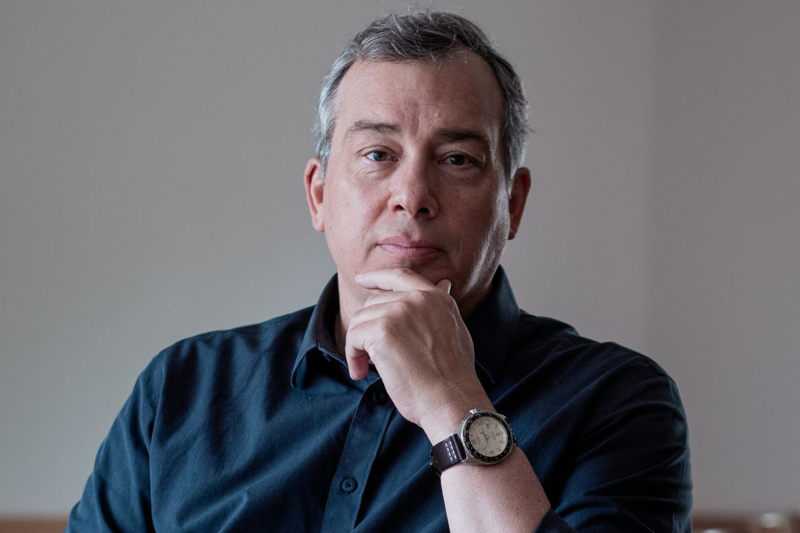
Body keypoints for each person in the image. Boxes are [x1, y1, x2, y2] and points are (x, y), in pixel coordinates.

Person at [66, 10, 691, 532]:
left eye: (456, 159)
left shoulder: (618, 401)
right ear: (318, 195)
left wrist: (452, 400)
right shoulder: (180, 390)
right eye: (376, 154)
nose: (412, 196)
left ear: (513, 204)